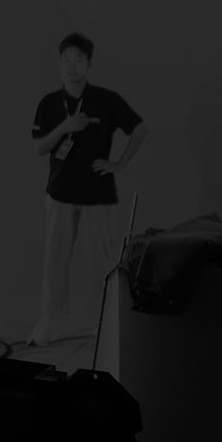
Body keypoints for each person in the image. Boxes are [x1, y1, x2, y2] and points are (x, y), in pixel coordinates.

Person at [27, 32, 148, 346]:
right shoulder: (49, 103)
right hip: (60, 194)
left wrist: (119, 164)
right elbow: (40, 147)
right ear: (59, 63)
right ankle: (50, 321)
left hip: (97, 195)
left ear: (89, 63)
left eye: (79, 59)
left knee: (100, 262)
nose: (72, 65)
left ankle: (103, 322)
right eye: (66, 59)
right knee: (55, 261)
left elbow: (139, 128)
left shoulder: (105, 99)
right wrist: (64, 128)